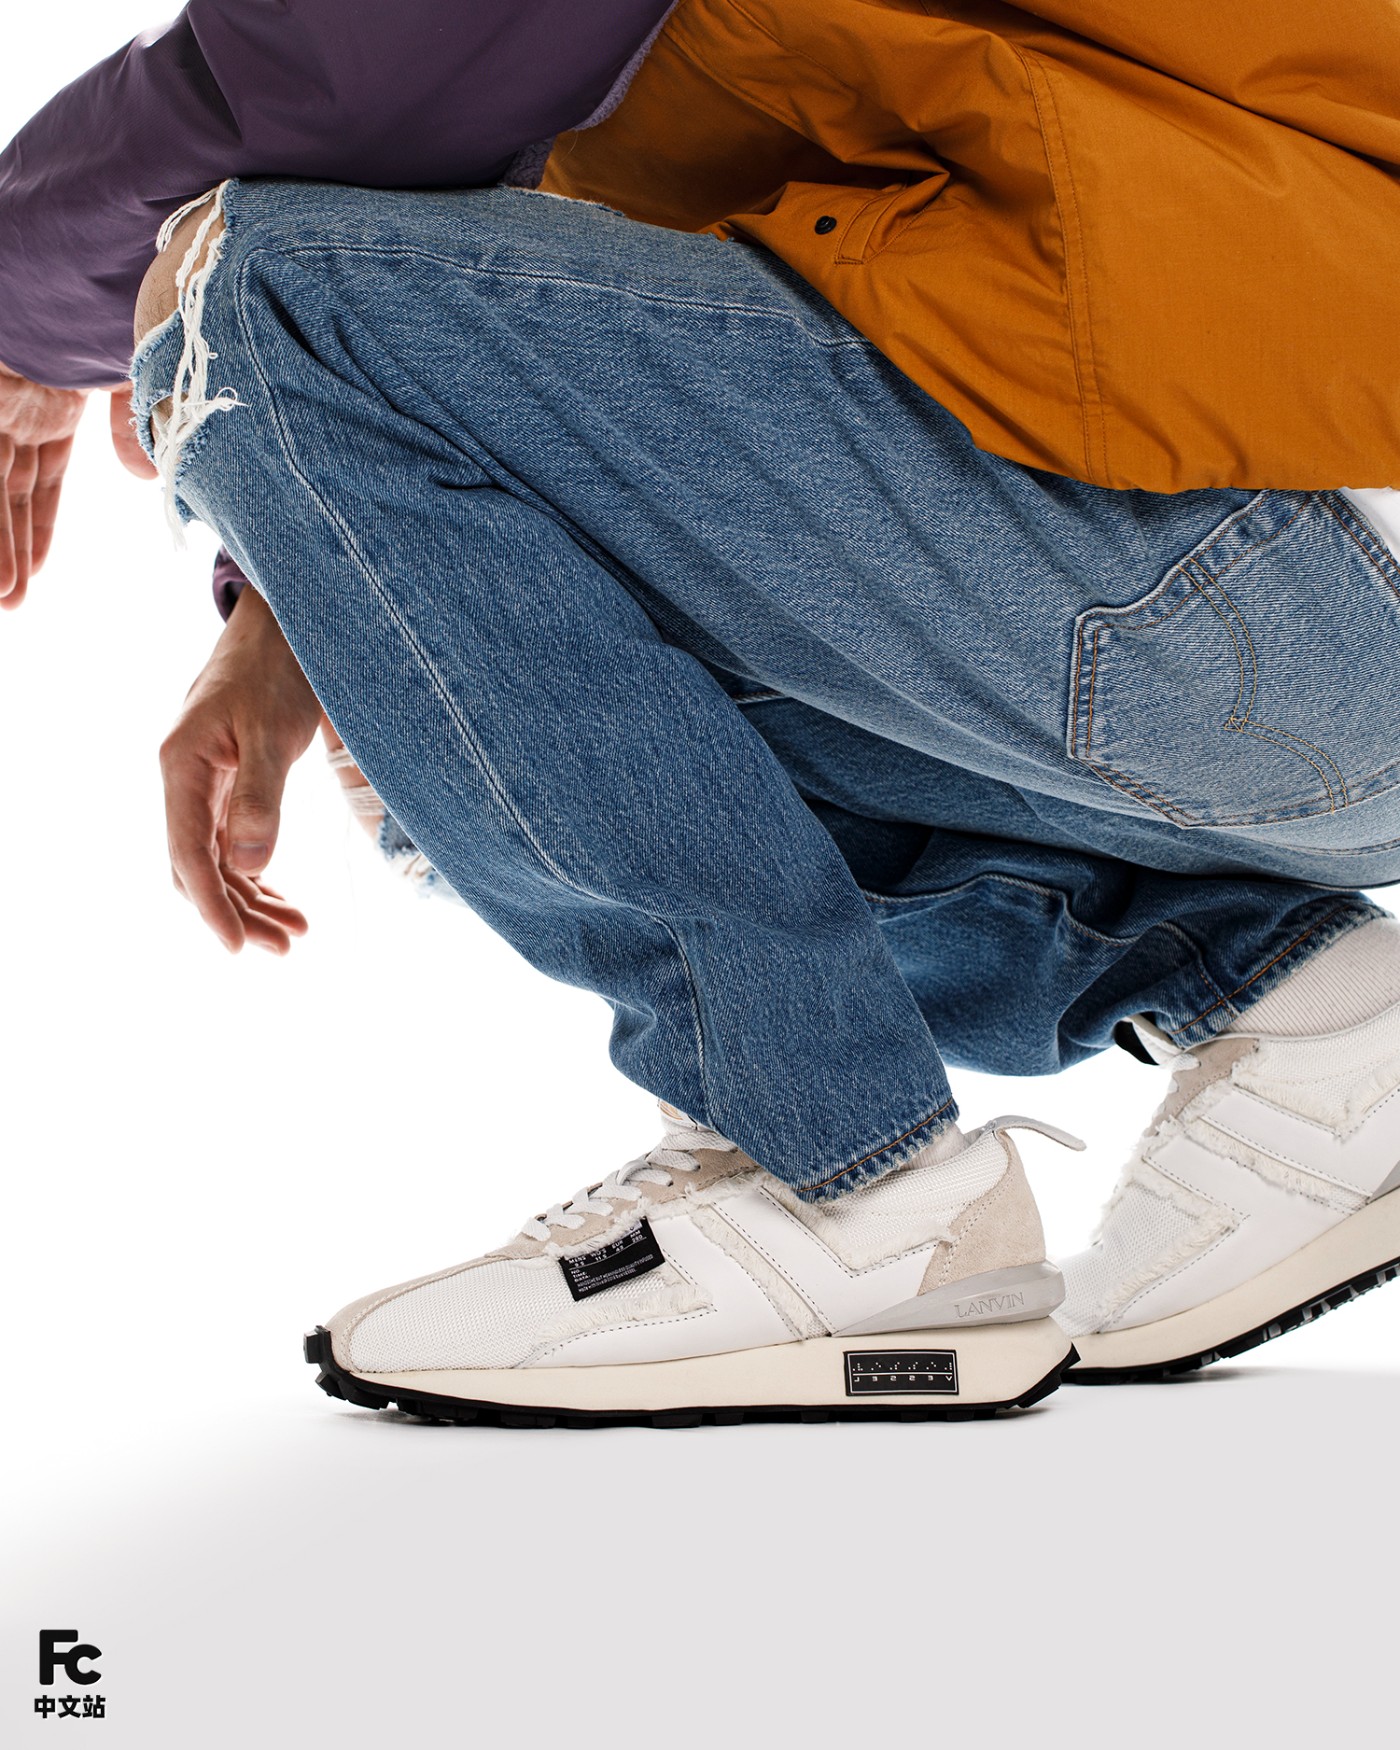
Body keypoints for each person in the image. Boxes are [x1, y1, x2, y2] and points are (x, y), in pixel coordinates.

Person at [3, 2, 1399, 1426]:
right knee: (402, 660)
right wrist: (295, 591)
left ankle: (829, 1178)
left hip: (1279, 537)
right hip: (1296, 580)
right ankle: (1307, 1012)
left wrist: (17, 302)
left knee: (249, 284)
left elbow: (366, 63)